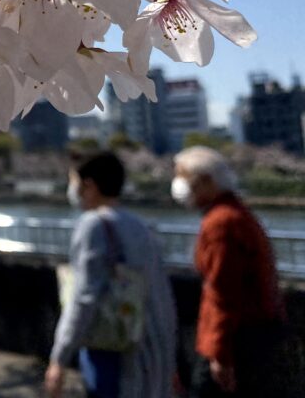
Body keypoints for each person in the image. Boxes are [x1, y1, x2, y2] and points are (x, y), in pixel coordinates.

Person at [46, 151, 176, 398]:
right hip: (148, 348)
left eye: (73, 182)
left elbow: (84, 297)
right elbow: (161, 292)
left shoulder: (93, 225)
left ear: (89, 185)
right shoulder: (140, 225)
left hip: (110, 349)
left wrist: (59, 358)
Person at [172, 146, 289, 397]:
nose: (178, 184)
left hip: (236, 339)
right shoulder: (235, 214)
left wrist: (220, 353)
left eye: (181, 176)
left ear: (205, 181)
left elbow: (223, 291)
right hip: (251, 333)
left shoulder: (221, 223)